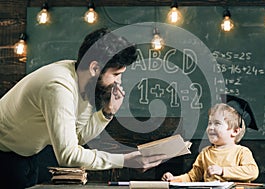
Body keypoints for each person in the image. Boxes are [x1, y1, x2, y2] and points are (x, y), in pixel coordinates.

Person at [0, 28, 166, 189]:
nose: (119, 82)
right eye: (116, 74)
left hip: (30, 154)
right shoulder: (58, 87)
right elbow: (69, 156)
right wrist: (125, 160)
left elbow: (78, 138)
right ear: (95, 68)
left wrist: (107, 114)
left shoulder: (85, 84)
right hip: (5, 154)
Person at [162, 95, 259, 183]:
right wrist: (174, 179)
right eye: (209, 123)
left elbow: (252, 172)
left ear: (235, 131)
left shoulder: (241, 152)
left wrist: (223, 171)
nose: (211, 127)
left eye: (217, 123)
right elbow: (192, 177)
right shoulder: (205, 153)